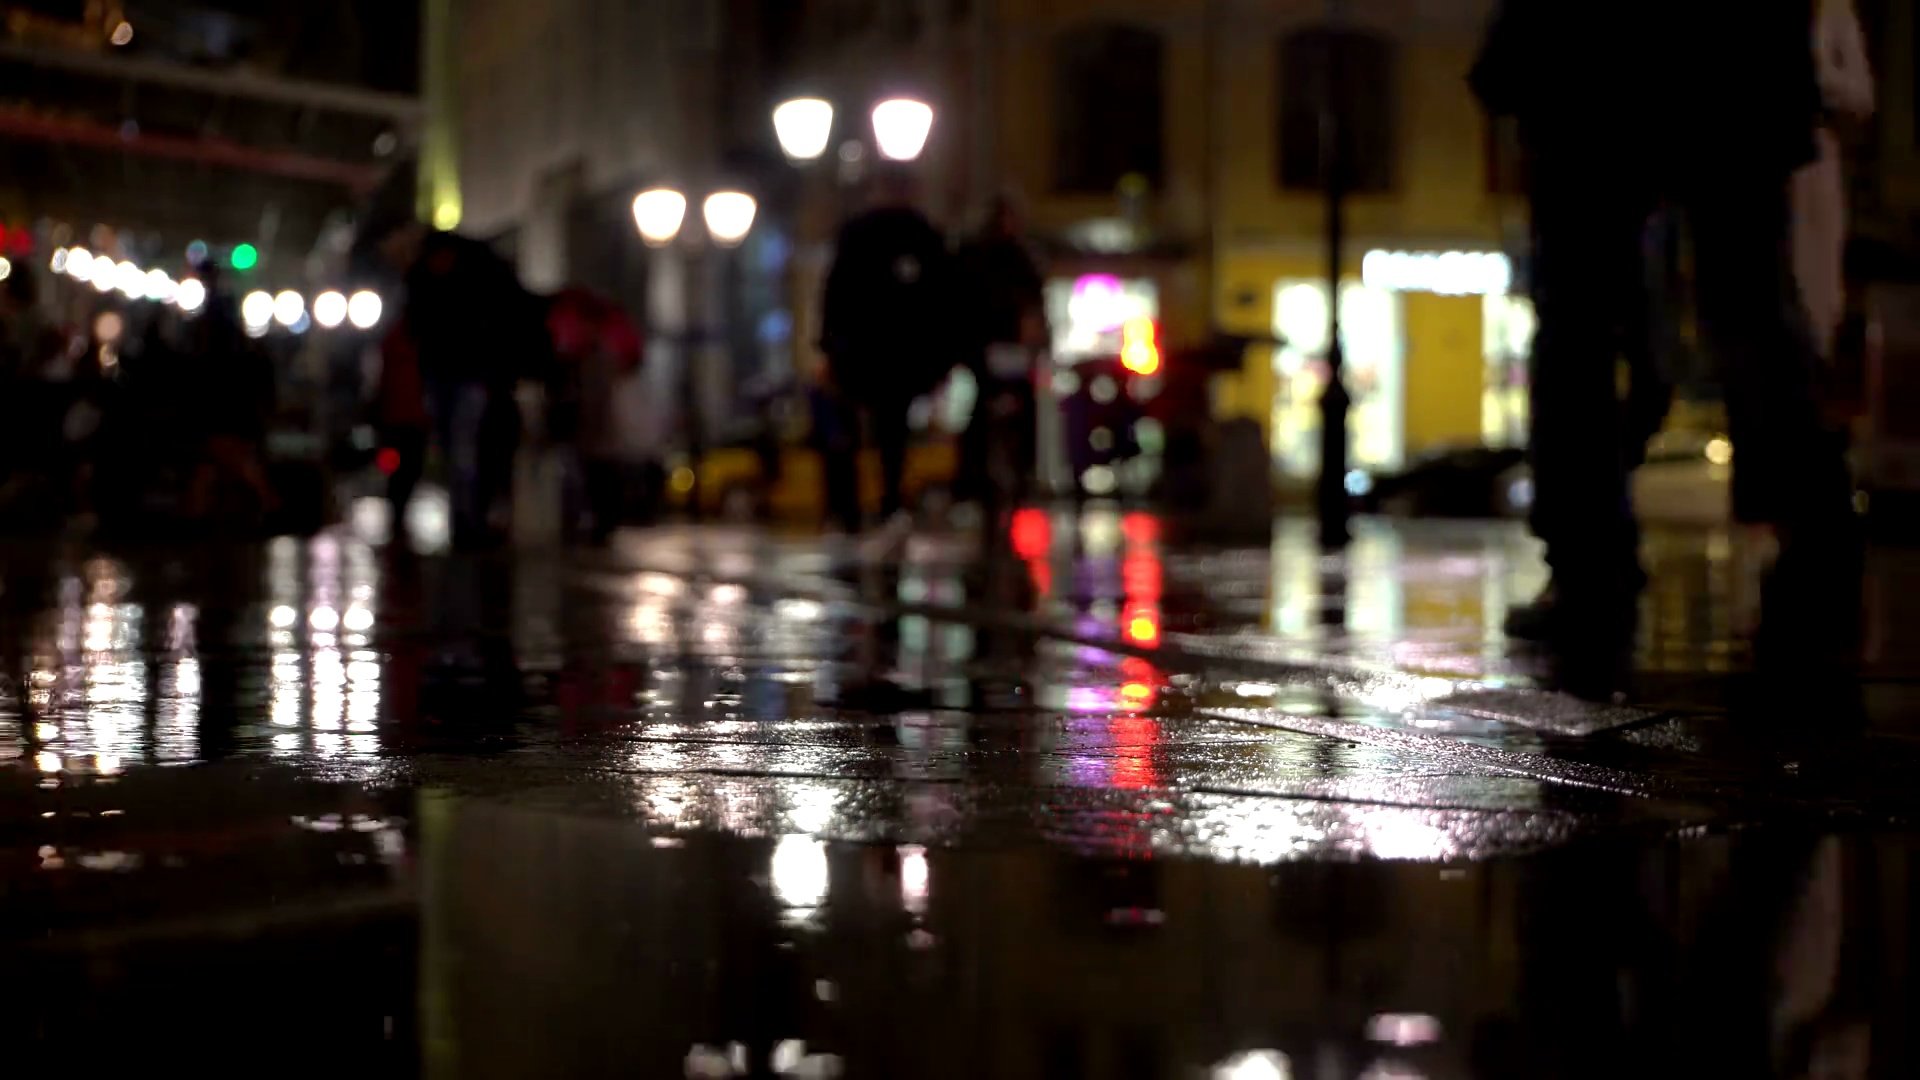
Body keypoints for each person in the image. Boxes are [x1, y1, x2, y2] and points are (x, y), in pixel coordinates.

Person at [1472, 0, 1858, 654]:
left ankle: (1589, 565)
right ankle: (1810, 535)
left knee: (1580, 320)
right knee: (1748, 301)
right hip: (1736, 48)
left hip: (1592, 49)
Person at [374, 219, 549, 549]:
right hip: (452, 372)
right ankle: (468, 519)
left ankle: (469, 520)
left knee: (465, 448)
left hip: (469, 373)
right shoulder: (427, 277)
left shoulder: (463, 272)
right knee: (458, 448)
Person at [817, 163, 958, 535]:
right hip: (892, 355)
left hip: (874, 353)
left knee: (867, 433)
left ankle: (862, 508)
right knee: (885, 433)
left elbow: (835, 294)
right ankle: (880, 504)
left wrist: (830, 347)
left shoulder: (880, 234)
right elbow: (943, 302)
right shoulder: (920, 235)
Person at [954, 192, 1047, 512]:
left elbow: (1034, 306)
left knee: (1019, 410)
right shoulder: (982, 259)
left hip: (1007, 350)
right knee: (983, 412)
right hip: (986, 350)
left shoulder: (1018, 259)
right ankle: (975, 476)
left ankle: (1019, 472)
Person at [1794, 0, 1874, 360]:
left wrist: (1816, 77)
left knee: (1815, 294)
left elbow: (1862, 96)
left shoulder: (1834, 10)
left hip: (1814, 173)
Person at [545, 287, 642, 544]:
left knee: (596, 472)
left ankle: (597, 521)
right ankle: (586, 521)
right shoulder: (585, 347)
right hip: (583, 422)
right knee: (582, 473)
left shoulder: (602, 348)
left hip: (596, 425)